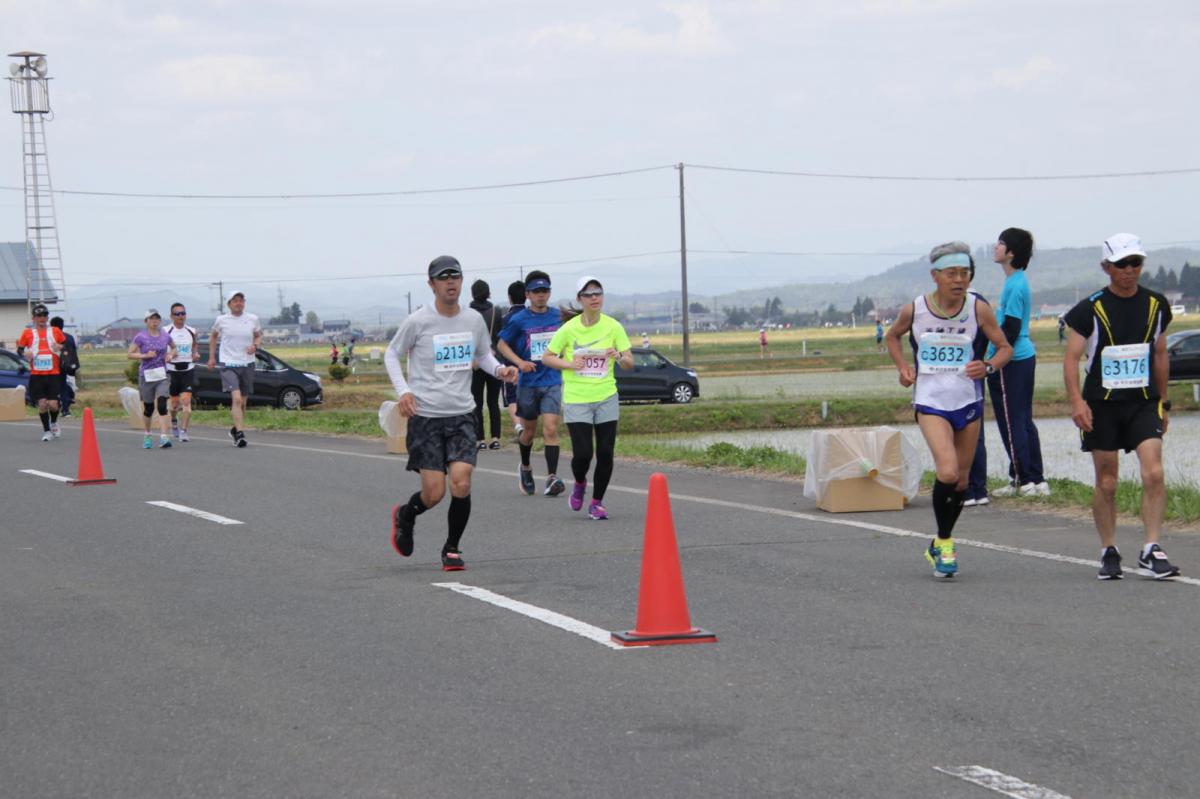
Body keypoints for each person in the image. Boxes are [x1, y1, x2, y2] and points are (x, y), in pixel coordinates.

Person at [885, 242, 1011, 578]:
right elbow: (892, 336)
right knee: (948, 472)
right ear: (935, 276)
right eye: (951, 273)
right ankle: (944, 545)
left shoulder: (978, 309)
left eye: (965, 273)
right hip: (931, 401)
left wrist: (987, 367)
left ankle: (941, 539)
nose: (959, 280)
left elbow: (1004, 348)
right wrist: (903, 369)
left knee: (963, 481)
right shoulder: (915, 310)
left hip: (967, 400)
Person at [386, 256, 518, 571]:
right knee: (434, 493)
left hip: (462, 414)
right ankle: (406, 515)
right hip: (427, 416)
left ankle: (452, 548)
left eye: (455, 276)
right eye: (443, 277)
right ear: (431, 284)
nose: (450, 282)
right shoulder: (418, 321)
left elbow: (483, 354)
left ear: (461, 281)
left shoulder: (472, 320)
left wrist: (500, 370)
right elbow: (391, 354)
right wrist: (403, 391)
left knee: (461, 482)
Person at [1063, 233, 1179, 580]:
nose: (1130, 270)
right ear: (1106, 267)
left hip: (1143, 402)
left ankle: (1151, 549)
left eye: (1136, 263)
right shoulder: (1090, 309)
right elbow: (1070, 360)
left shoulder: (1157, 305)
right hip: (1102, 404)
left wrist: (1164, 402)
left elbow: (1159, 354)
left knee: (1154, 472)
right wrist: (1077, 402)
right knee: (1108, 481)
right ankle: (1109, 550)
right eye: (1122, 264)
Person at [542, 276, 633, 520]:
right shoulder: (569, 329)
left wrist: (619, 356)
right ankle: (580, 482)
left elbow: (629, 363)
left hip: (606, 396)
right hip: (577, 397)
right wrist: (570, 364)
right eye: (589, 294)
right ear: (580, 299)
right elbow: (547, 357)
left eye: (598, 293)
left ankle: (597, 502)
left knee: (605, 452)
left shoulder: (613, 326)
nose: (594, 298)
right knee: (583, 455)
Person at [978, 228, 1049, 499]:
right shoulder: (1014, 281)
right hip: (1019, 358)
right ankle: (1033, 477)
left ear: (1011, 253)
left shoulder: (1016, 285)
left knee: (1013, 421)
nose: (995, 247)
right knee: (1021, 419)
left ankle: (1024, 478)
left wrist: (994, 359)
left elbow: (1011, 329)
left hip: (1013, 360)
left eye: (1000, 244)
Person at [496, 270, 565, 497]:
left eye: (544, 291)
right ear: (527, 294)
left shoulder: (558, 316)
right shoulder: (519, 320)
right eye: (536, 291)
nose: (541, 295)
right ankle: (525, 466)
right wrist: (519, 362)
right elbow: (502, 345)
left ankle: (552, 477)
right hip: (528, 383)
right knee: (528, 432)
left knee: (551, 428)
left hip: (552, 380)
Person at [207, 290, 262, 448]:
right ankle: (240, 435)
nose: (239, 303)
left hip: (247, 364)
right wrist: (212, 357)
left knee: (243, 403)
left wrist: (255, 346)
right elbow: (213, 337)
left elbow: (258, 335)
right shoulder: (221, 320)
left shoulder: (252, 319)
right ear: (229, 304)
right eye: (235, 300)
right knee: (236, 399)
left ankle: (235, 429)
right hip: (228, 364)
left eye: (241, 300)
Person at [16, 303, 66, 442]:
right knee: (43, 404)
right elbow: (19, 350)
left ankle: (54, 422)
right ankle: (46, 431)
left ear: (47, 317)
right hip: (37, 375)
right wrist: (26, 353)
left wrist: (59, 346)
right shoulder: (27, 333)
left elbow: (65, 344)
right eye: (39, 316)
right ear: (34, 318)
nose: (42, 318)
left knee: (53, 405)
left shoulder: (55, 331)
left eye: (44, 315)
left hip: (54, 373)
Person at [129, 309, 176, 449]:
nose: (154, 321)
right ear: (146, 321)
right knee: (148, 409)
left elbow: (174, 348)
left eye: (157, 319)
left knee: (162, 404)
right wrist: (144, 356)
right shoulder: (140, 337)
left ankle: (164, 437)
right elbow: (130, 354)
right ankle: (148, 434)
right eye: (151, 319)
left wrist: (170, 355)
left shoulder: (165, 335)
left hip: (162, 375)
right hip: (147, 376)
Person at [469, 279, 504, 450]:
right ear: (488, 293)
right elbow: (500, 337)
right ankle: (496, 438)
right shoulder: (496, 312)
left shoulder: (466, 313)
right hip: (493, 359)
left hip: (475, 362)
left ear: (472, 293)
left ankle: (479, 440)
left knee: (477, 401)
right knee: (493, 402)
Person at [166, 302, 199, 442]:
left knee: (186, 401)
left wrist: (195, 353)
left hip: (188, 370)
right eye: (177, 314)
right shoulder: (166, 331)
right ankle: (174, 421)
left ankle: (184, 431)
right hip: (172, 371)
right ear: (172, 316)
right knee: (174, 405)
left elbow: (195, 346)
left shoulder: (192, 331)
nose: (180, 316)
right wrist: (167, 356)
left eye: (183, 313)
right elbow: (161, 349)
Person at [501, 280, 526, 438]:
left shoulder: (505, 318)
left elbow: (501, 342)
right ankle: (526, 426)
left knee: (511, 396)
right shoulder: (531, 316)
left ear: (509, 298)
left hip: (510, 362)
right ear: (527, 295)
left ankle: (518, 426)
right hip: (529, 362)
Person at [49, 316, 78, 417]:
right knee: (63, 385)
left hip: (53, 365)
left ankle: (57, 406)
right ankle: (66, 409)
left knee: (53, 387)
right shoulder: (69, 337)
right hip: (67, 365)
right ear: (62, 325)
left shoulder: (51, 337)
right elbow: (74, 350)